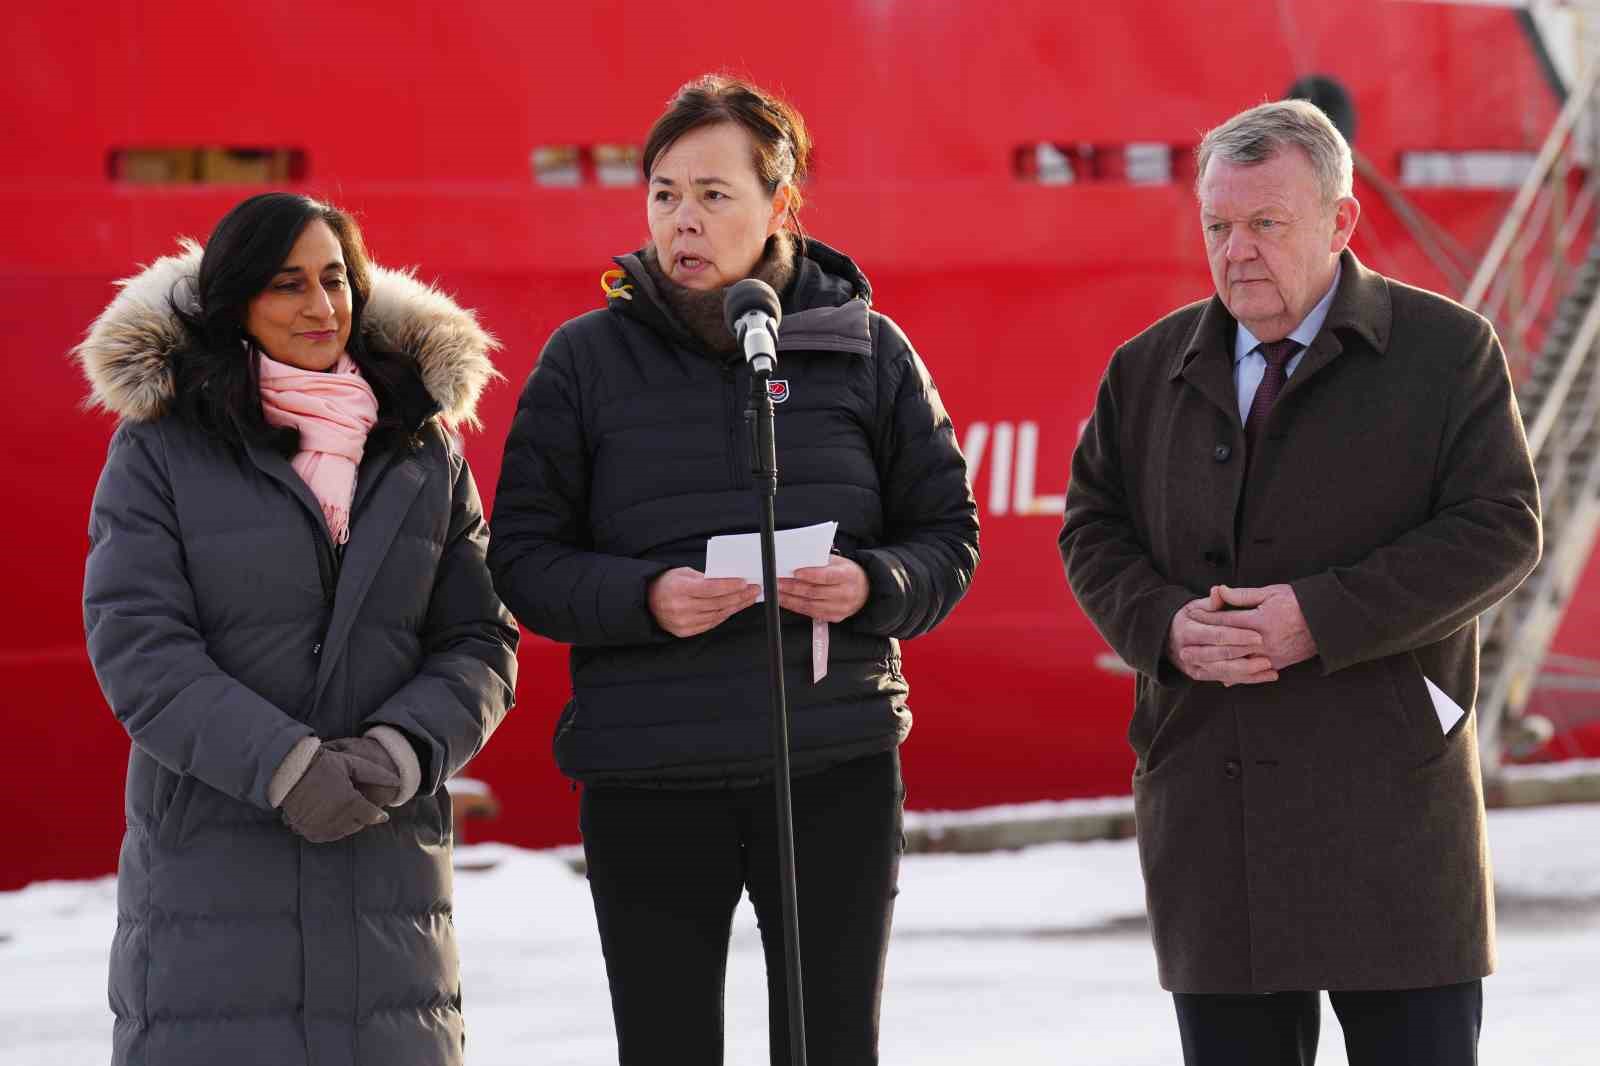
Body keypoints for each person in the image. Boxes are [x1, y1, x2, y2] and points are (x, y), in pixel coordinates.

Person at [488, 74, 979, 1065]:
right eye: (664, 192)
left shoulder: (869, 352)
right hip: (648, 773)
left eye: (714, 194)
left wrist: (873, 584)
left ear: (779, 205)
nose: (684, 218)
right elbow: (523, 559)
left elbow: (948, 534)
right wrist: (645, 599)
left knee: (831, 1044)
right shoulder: (583, 362)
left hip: (830, 767)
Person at [1059, 99, 1541, 1066]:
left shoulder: (1447, 355)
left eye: (1266, 224)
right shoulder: (1145, 370)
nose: (1236, 252)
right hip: (1212, 807)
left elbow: (1503, 527)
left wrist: (1317, 618)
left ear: (1340, 221)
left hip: (1389, 813)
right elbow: (1093, 530)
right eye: (1218, 227)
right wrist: (1163, 628)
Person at [76, 192, 519, 1066]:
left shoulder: (422, 448)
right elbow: (140, 645)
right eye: (288, 285)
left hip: (383, 876)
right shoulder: (162, 448)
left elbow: (480, 638)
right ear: (236, 300)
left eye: (336, 280)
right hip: (214, 873)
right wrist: (285, 767)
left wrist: (399, 753)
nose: (322, 308)